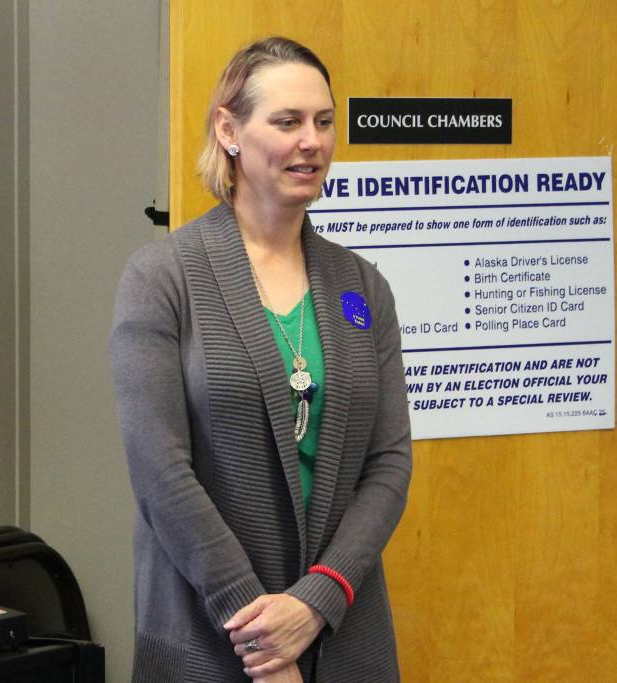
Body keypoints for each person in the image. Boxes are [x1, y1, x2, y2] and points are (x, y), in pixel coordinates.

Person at [110, 37, 412, 683]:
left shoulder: (363, 287)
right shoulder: (163, 278)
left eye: (324, 122)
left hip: (343, 637)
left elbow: (389, 464)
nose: (313, 142)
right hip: (208, 640)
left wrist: (313, 604)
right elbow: (160, 472)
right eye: (287, 121)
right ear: (229, 129)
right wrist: (262, 634)